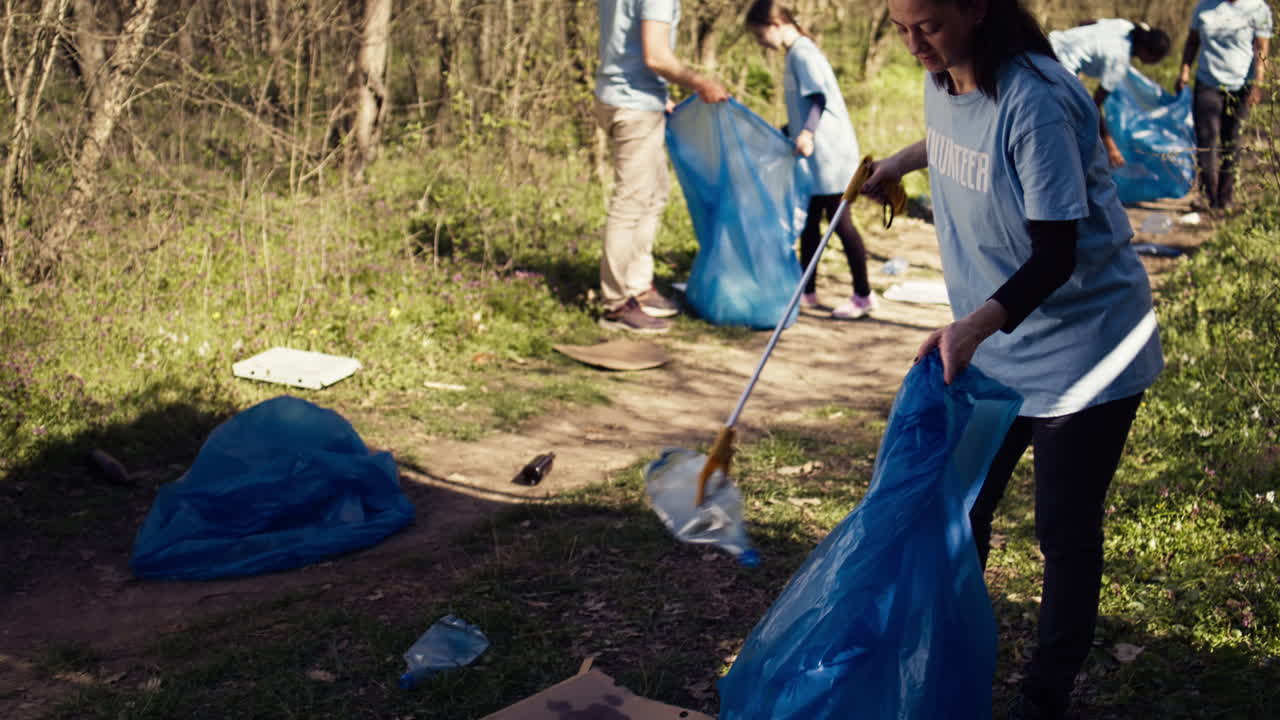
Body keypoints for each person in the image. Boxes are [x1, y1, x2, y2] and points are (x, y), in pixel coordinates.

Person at [862, 0, 1164, 717]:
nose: (913, 45)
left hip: (1083, 353)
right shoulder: (945, 78)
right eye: (900, 29)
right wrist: (900, 161)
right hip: (999, 343)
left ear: (975, 9)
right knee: (959, 505)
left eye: (927, 26)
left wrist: (971, 328)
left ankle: (1043, 694)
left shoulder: (1036, 100)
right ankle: (950, 647)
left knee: (1064, 528)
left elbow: (1056, 254)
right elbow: (957, 138)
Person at [595, 0, 729, 334]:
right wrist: (701, 83)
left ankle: (639, 287)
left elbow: (624, 44)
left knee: (654, 194)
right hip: (632, 103)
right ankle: (616, 304)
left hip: (626, 95)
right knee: (631, 203)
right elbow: (656, 56)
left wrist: (660, 96)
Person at [745, 1, 877, 319]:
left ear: (775, 23)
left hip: (830, 154)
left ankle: (864, 295)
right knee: (810, 223)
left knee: (840, 223)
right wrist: (780, 133)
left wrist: (806, 133)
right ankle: (807, 290)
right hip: (816, 155)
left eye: (759, 34)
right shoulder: (795, 54)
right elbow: (803, 106)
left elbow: (818, 98)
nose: (760, 42)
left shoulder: (803, 52)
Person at [1176, 0, 1273, 212]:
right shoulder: (1204, 7)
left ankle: (1225, 198)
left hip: (1241, 85)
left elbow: (1262, 50)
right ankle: (1209, 197)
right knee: (1206, 139)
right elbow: (1193, 42)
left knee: (1233, 140)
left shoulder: (1258, 9)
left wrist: (1258, 83)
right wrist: (1184, 70)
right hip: (1207, 81)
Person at [1049, 19, 1172, 167]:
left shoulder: (1125, 26)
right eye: (1156, 60)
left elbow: (1085, 22)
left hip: (1049, 42)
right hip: (1059, 66)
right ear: (1147, 53)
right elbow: (1093, 107)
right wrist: (1110, 146)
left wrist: (1080, 52)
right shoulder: (1119, 62)